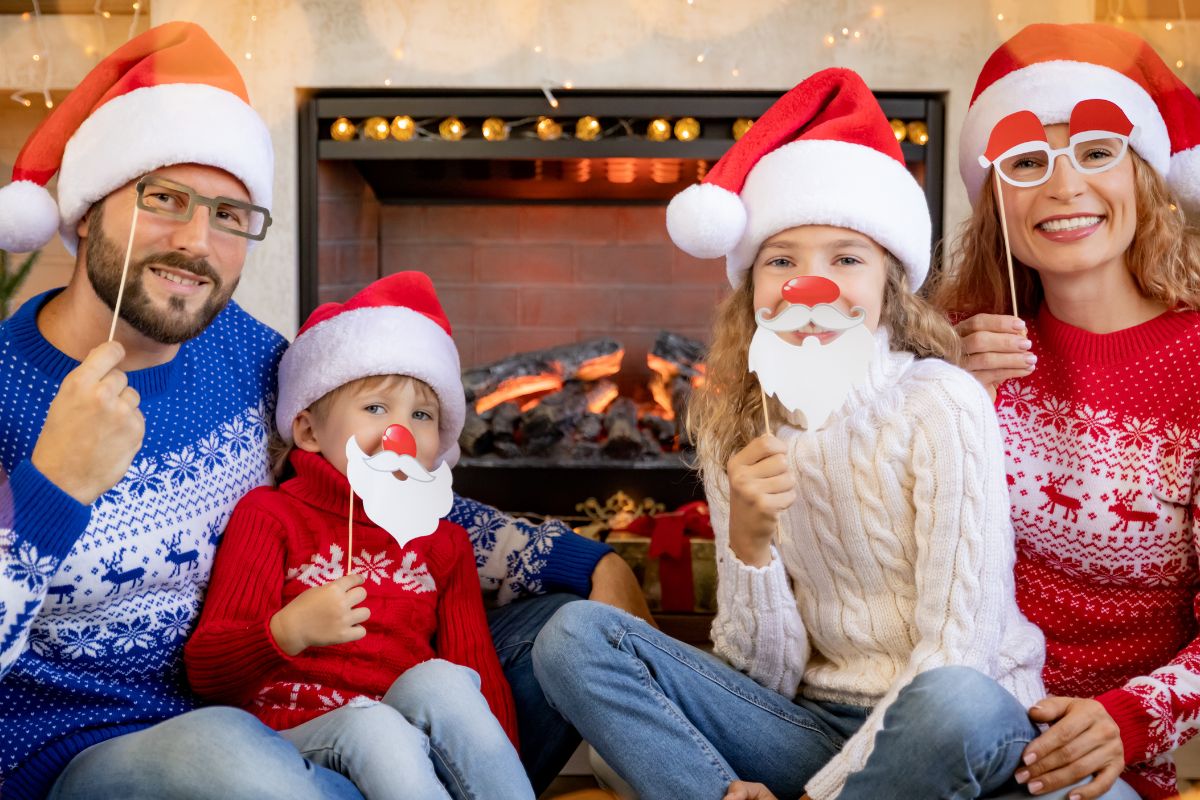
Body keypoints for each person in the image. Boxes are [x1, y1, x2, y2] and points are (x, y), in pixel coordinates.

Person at [0, 21, 645, 800]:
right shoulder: (6, 390)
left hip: (283, 711)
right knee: (228, 756)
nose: (197, 243)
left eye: (229, 215)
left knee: (551, 638)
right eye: (164, 199)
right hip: (87, 752)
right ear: (87, 208)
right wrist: (55, 487)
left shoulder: (243, 353)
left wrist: (583, 560)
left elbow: (371, 482)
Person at [531, 67, 1046, 800]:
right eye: (782, 260)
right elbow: (762, 676)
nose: (812, 284)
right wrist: (749, 544)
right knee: (574, 637)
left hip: (946, 721)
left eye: (846, 258)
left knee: (955, 698)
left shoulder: (941, 403)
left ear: (889, 284)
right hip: (811, 723)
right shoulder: (738, 426)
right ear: (753, 290)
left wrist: (818, 794)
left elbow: (958, 651)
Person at [933, 22, 1200, 800]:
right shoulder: (955, 348)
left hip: (1089, 769)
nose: (1063, 187)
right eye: (1026, 162)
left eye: (1095, 152)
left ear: (1143, 180)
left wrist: (1127, 718)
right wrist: (947, 411)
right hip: (945, 728)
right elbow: (874, 564)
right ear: (996, 200)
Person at [185, 271, 533, 800]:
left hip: (406, 742)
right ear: (308, 431)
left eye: (422, 415)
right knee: (373, 726)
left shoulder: (444, 545)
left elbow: (475, 684)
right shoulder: (270, 516)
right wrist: (288, 630)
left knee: (445, 681)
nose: (400, 432)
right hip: (292, 740)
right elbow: (208, 671)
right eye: (375, 408)